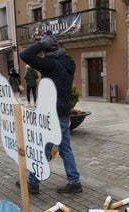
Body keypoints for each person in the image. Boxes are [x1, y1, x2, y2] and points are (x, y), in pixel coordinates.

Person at [19, 30, 82, 194]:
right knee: (65, 148)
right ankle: (74, 181)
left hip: (52, 113)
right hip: (63, 112)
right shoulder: (68, 62)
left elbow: (25, 55)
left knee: (46, 148)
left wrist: (40, 45)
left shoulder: (51, 65)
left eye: (44, 48)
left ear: (47, 49)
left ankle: (33, 182)